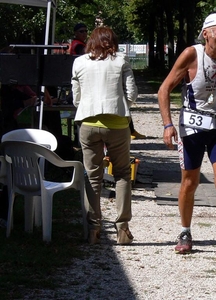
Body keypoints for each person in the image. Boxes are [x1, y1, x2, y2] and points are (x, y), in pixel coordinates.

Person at [157, 13, 216, 262]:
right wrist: (168, 124)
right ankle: (185, 232)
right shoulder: (191, 55)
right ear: (206, 33)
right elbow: (164, 89)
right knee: (190, 182)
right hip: (192, 127)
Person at [72, 26, 138, 244]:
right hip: (117, 125)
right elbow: (132, 94)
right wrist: (120, 107)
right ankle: (122, 228)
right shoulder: (121, 61)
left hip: (88, 124)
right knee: (121, 174)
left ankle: (93, 228)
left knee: (92, 176)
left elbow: (76, 98)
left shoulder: (79, 62)